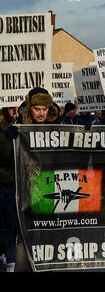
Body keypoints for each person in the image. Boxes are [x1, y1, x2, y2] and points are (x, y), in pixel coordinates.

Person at [5, 87, 61, 272]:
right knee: (24, 231)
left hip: (46, 184)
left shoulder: (58, 125)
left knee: (47, 231)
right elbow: (8, 160)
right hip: (24, 185)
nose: (41, 113)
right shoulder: (19, 125)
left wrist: (81, 133)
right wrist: (9, 140)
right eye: (37, 109)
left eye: (45, 109)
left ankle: (47, 266)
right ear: (30, 109)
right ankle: (23, 268)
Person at [0, 108, 17, 272]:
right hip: (6, 181)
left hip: (26, 181)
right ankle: (10, 258)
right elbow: (4, 157)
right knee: (9, 223)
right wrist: (7, 139)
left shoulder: (27, 124)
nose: (14, 110)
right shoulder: (2, 127)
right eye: (11, 108)